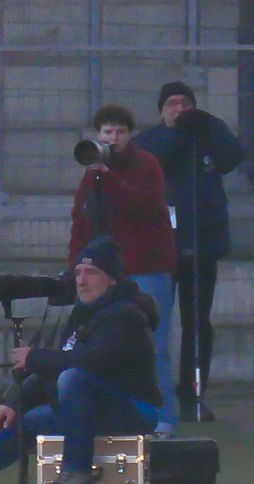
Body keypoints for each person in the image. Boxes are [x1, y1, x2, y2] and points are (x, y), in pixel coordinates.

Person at [0, 238, 161, 484]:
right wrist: (16, 403)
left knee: (74, 378)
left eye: (92, 273)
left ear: (113, 279)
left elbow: (88, 363)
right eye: (78, 273)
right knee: (27, 422)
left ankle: (76, 472)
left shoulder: (126, 316)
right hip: (91, 408)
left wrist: (34, 358)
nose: (82, 281)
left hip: (134, 409)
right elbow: (57, 369)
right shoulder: (86, 313)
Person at [135, 80, 245, 422]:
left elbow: (232, 156)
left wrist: (208, 123)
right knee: (155, 323)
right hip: (160, 249)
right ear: (162, 110)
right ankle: (154, 393)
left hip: (202, 245)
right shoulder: (150, 140)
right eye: (172, 104)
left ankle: (193, 393)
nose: (180, 109)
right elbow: (155, 160)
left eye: (186, 103)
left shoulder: (207, 135)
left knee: (197, 323)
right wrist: (179, 133)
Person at [69, 103, 179, 435]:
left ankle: (164, 418)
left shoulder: (146, 165)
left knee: (154, 344)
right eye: (107, 132)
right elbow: (81, 220)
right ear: (97, 135)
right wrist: (75, 267)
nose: (113, 139)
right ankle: (112, 416)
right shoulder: (91, 173)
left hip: (146, 266)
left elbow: (142, 206)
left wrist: (108, 177)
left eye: (120, 132)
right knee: (100, 344)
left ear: (130, 136)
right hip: (105, 274)